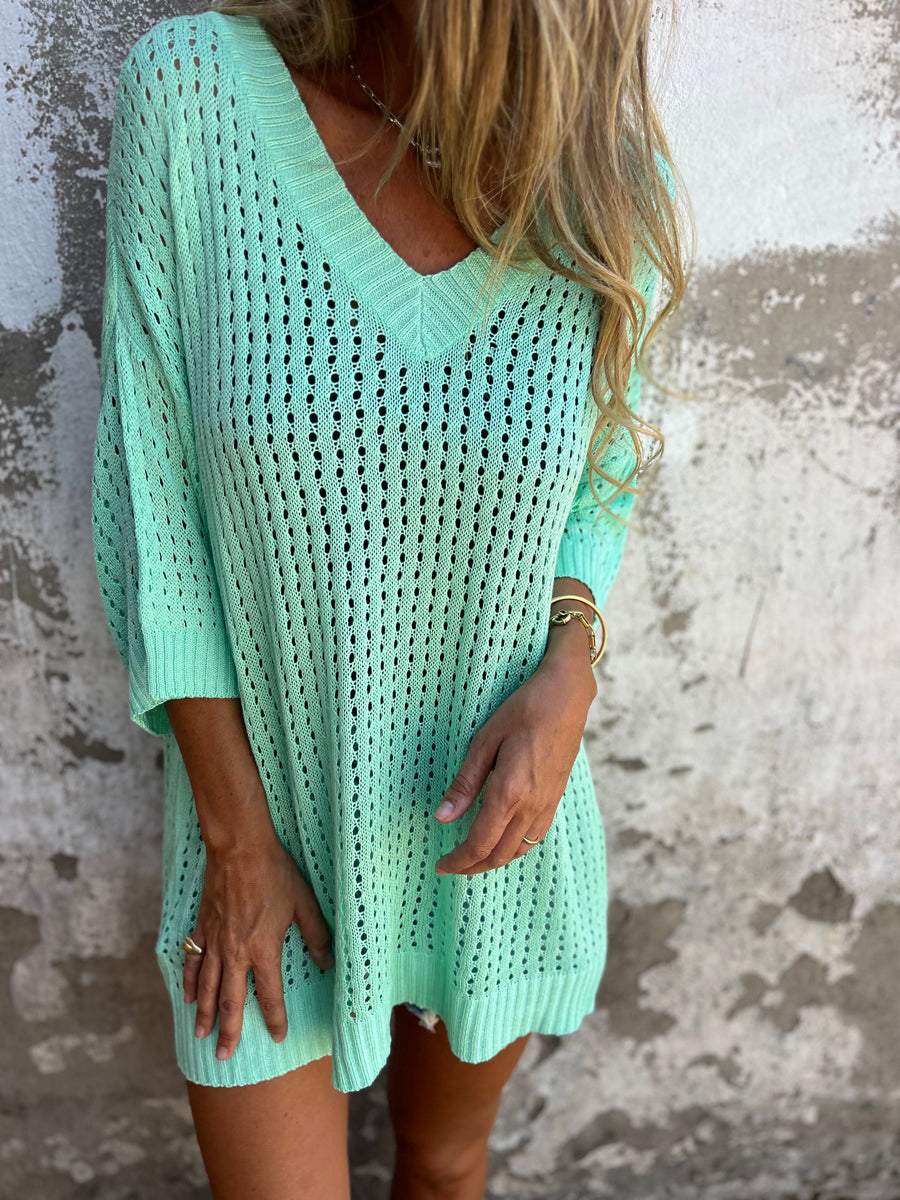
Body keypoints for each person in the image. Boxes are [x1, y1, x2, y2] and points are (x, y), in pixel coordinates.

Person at [90, 0, 685, 1195]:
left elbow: (606, 462)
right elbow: (153, 502)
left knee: (446, 1164)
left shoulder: (599, 175)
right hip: (255, 819)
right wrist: (236, 842)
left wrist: (574, 657)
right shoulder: (196, 97)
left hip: (490, 824)